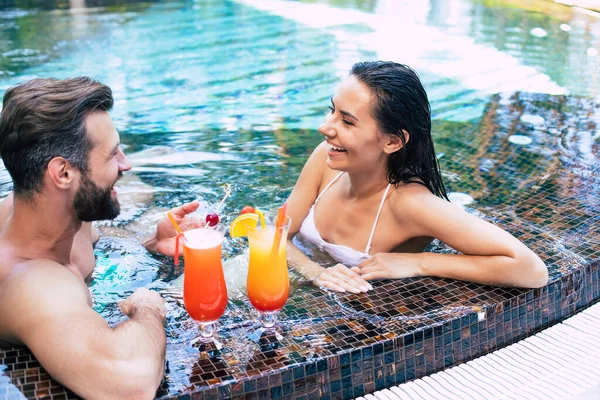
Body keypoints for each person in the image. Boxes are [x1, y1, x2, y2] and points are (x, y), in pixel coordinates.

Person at [0, 77, 201, 399]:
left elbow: (101, 236)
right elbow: (130, 385)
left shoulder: (61, 211)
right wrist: (148, 307)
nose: (126, 163)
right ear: (63, 174)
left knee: (143, 193)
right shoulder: (32, 282)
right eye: (112, 155)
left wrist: (150, 243)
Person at [286, 61, 548, 293]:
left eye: (347, 121)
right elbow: (272, 235)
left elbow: (532, 271)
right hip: (305, 279)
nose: (324, 128)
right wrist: (315, 273)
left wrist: (418, 262)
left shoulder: (410, 203)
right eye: (332, 110)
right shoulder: (326, 158)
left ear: (393, 141)